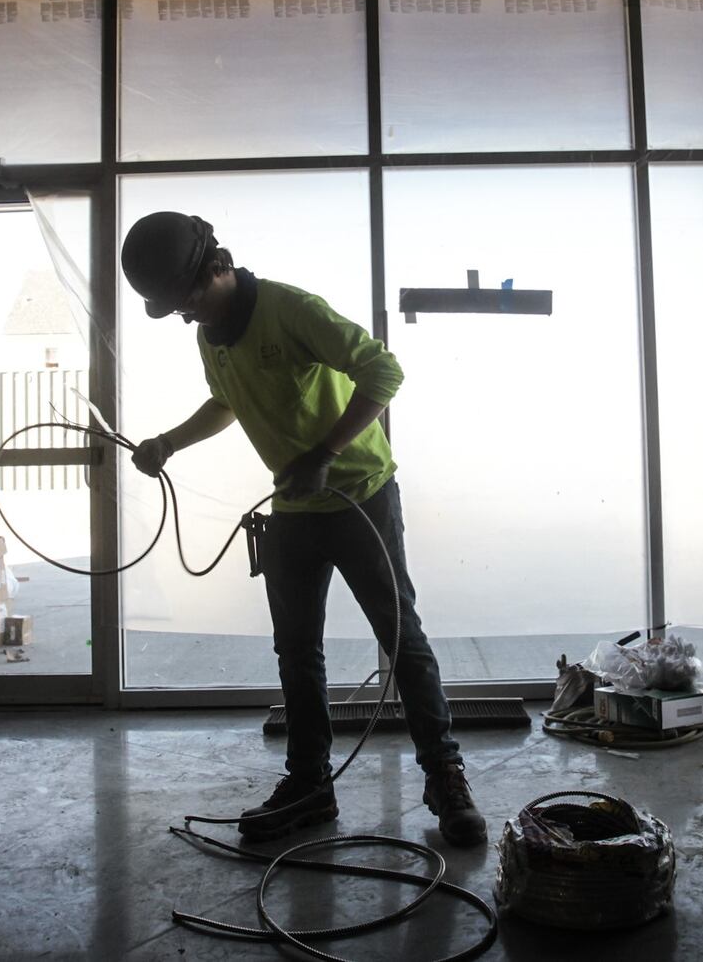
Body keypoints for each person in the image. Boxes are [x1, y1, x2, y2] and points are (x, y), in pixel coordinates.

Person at [120, 210, 486, 848]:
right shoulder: (210, 333)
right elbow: (227, 401)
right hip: (295, 510)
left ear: (217, 266)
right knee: (296, 652)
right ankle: (311, 785)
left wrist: (322, 455)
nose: (188, 314)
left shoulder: (291, 311)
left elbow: (384, 373)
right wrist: (168, 442)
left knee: (402, 638)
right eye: (177, 308)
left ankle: (444, 776)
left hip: (360, 497)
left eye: (191, 299)